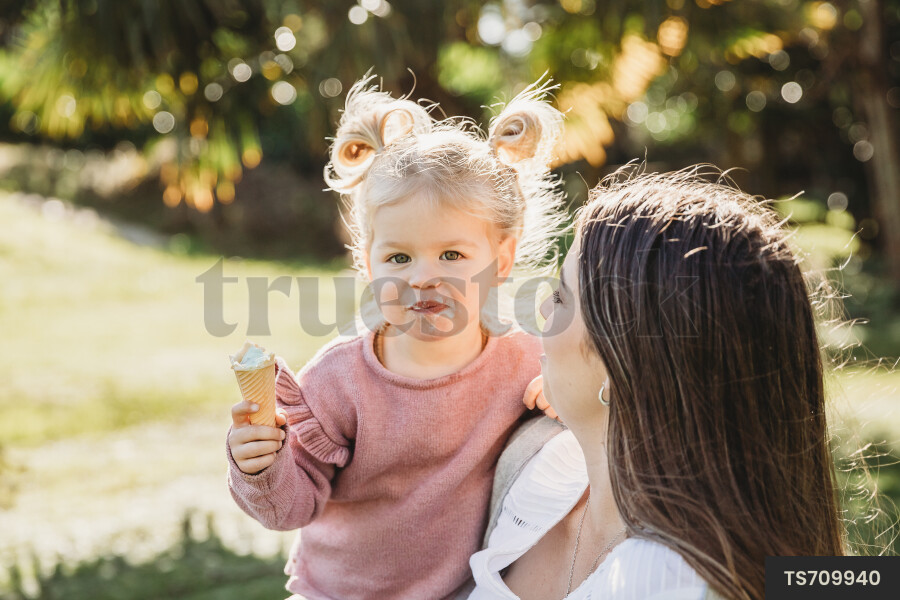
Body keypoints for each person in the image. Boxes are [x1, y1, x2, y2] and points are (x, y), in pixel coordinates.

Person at [225, 74, 566, 600]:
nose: (421, 277)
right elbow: (292, 509)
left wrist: (563, 391)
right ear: (367, 263)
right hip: (334, 593)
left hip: (458, 591)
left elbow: (603, 397)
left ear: (501, 260)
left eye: (451, 255)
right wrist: (261, 466)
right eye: (398, 258)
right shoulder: (340, 379)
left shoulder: (526, 360)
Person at [469, 167, 846, 600]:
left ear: (620, 360)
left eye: (559, 297)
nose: (541, 309)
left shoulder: (670, 580)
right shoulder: (542, 473)